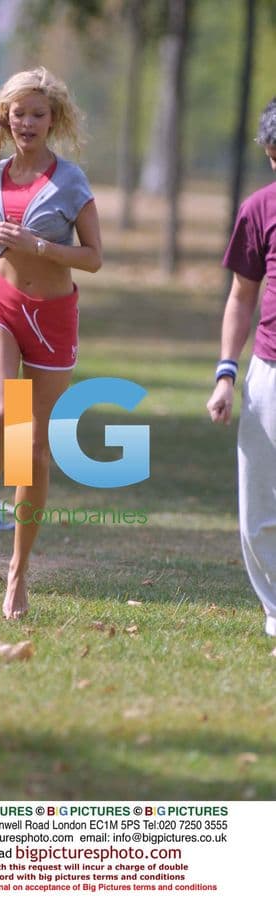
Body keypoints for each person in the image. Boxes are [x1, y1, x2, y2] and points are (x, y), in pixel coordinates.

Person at [0, 66, 102, 619]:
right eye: (19, 113)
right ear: (6, 117)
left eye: (38, 113)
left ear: (53, 120)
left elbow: (93, 257)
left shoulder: (71, 182)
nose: (27, 122)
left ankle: (17, 574)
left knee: (33, 448)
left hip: (53, 318)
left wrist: (39, 246)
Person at [206, 97, 276, 637]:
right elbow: (240, 297)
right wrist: (226, 373)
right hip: (268, 374)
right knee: (258, 511)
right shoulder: (259, 209)